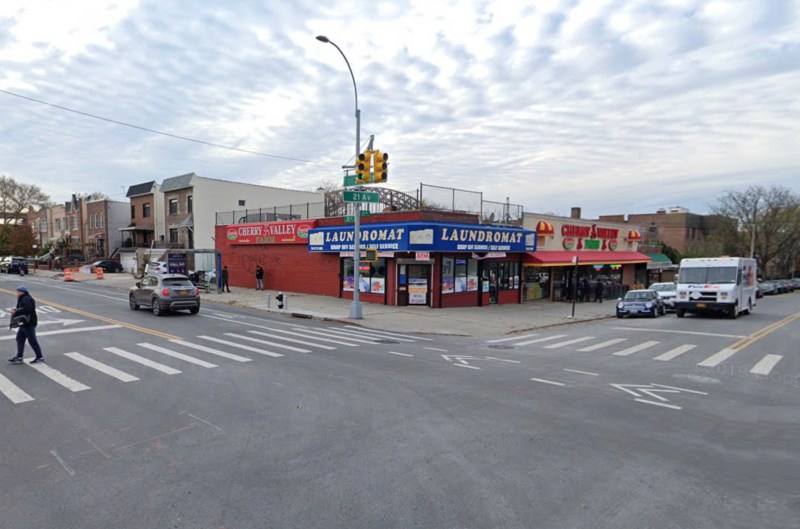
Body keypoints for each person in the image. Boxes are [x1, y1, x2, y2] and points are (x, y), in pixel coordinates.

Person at [8, 286, 44, 364]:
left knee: (32, 340)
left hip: (29, 323)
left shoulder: (26, 299)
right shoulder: (23, 298)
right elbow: (23, 308)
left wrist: (16, 311)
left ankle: (39, 356)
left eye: (18, 291)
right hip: (24, 323)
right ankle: (19, 357)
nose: (16, 293)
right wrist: (16, 310)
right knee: (19, 338)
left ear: (22, 292)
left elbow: (27, 308)